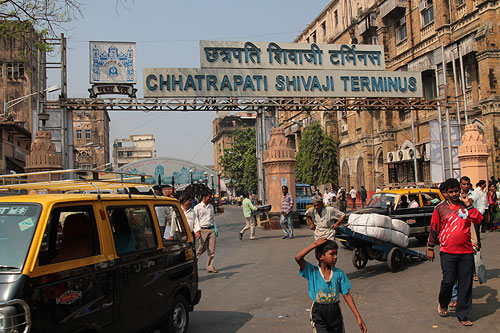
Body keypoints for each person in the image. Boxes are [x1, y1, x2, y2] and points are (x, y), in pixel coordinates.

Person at [426, 178, 483, 327]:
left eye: (456, 191)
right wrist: (430, 247)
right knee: (448, 281)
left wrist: (468, 205)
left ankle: (463, 314)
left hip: (466, 252)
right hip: (447, 252)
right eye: (451, 192)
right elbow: (434, 228)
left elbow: (478, 220)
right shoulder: (440, 209)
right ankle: (443, 303)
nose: (454, 194)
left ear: (460, 190)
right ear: (446, 194)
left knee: (466, 284)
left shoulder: (466, 207)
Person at [295, 238, 367, 333]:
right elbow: (298, 258)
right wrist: (315, 245)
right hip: (318, 312)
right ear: (321, 256)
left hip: (334, 312)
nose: (335, 257)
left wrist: (358, 317)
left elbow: (347, 295)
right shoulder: (312, 271)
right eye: (332, 254)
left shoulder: (339, 273)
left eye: (336, 253)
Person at [194, 192, 218, 273]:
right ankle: (194, 262)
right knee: (201, 248)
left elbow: (213, 218)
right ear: (204, 197)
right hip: (202, 230)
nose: (210, 199)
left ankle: (210, 266)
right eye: (209, 197)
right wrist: (197, 230)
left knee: (212, 249)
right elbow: (195, 220)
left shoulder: (211, 207)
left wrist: (215, 228)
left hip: (211, 229)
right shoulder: (197, 207)